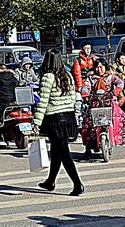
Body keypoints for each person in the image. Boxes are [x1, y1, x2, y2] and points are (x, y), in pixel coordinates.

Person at [32, 49, 84, 196]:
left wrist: (36, 121)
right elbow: (73, 97)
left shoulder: (48, 77)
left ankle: (77, 184)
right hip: (68, 117)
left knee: (64, 153)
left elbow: (43, 101)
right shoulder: (68, 76)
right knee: (56, 151)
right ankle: (50, 181)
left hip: (55, 119)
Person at [81, 58, 125, 158]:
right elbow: (85, 87)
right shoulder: (91, 78)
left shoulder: (111, 77)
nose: (99, 69)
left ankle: (114, 140)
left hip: (109, 104)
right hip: (94, 104)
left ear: (105, 67)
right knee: (87, 124)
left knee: (121, 119)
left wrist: (117, 90)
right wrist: (85, 93)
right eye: (97, 67)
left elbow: (120, 83)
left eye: (101, 67)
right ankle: (88, 147)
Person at [72, 41, 97, 128]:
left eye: (89, 48)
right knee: (78, 105)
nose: (87, 50)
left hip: (91, 85)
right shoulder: (78, 60)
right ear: (82, 49)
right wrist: (80, 86)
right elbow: (77, 74)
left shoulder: (94, 59)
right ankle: (78, 124)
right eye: (86, 48)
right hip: (80, 86)